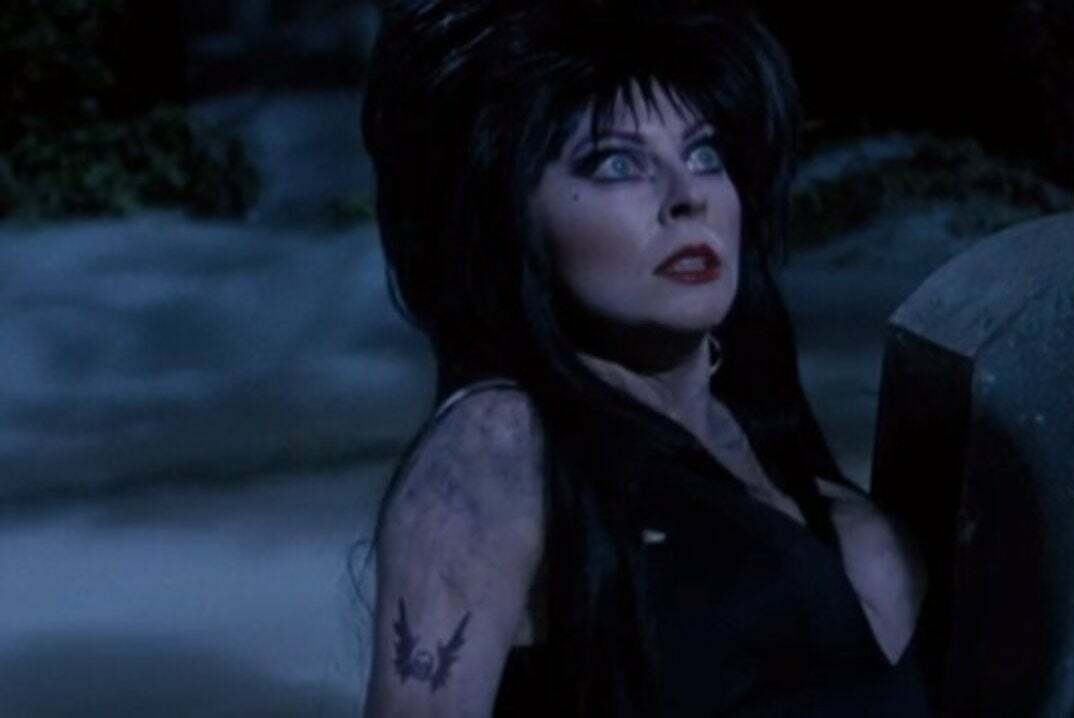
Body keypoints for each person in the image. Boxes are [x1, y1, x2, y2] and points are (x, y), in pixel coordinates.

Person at [360, 1, 930, 715]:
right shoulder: (502, 443)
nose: (687, 197)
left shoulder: (799, 483)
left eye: (704, 154)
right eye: (617, 164)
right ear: (513, 218)